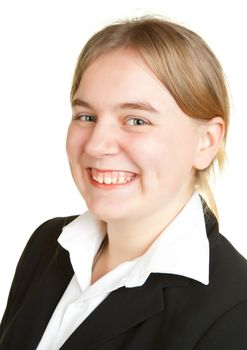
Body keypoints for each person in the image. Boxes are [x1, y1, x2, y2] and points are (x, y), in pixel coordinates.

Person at [1, 15, 247, 350]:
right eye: (86, 116)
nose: (96, 145)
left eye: (136, 120)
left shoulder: (235, 311)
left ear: (206, 141)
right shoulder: (47, 245)